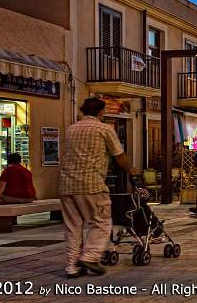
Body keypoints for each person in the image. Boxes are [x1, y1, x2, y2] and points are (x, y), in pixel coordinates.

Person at [59, 97, 136, 279]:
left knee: (73, 227)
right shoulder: (105, 129)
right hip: (92, 184)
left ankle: (72, 266)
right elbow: (119, 155)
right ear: (101, 112)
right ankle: (90, 257)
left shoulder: (71, 129)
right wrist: (130, 169)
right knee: (102, 222)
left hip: (66, 185)